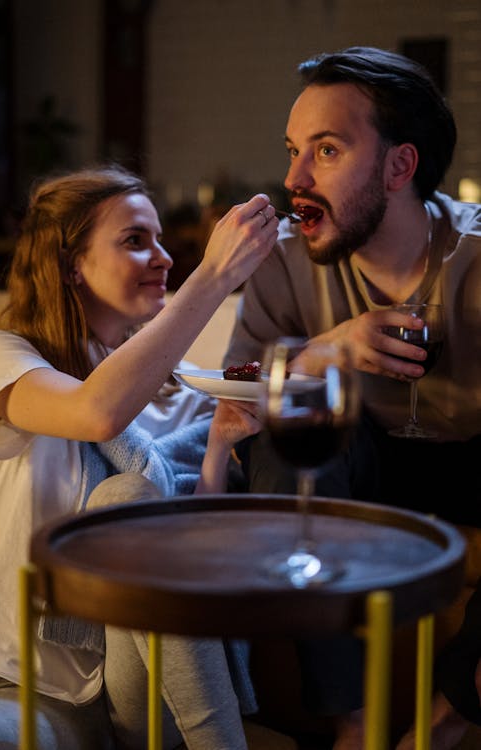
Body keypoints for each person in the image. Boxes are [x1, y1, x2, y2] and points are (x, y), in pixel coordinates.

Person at [223, 46, 481, 748]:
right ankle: (354, 726)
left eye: (326, 151)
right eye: (293, 151)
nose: (293, 179)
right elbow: (236, 400)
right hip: (361, 463)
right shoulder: (282, 260)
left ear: (401, 167)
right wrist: (323, 350)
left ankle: (444, 726)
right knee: (280, 439)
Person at [0, 164, 283, 749]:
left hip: (140, 689)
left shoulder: (173, 391)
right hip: (24, 689)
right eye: (135, 241)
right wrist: (215, 275)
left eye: (162, 240)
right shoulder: (3, 359)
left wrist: (219, 446)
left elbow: (195, 557)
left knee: (129, 499)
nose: (165, 258)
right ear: (72, 265)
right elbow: (96, 412)